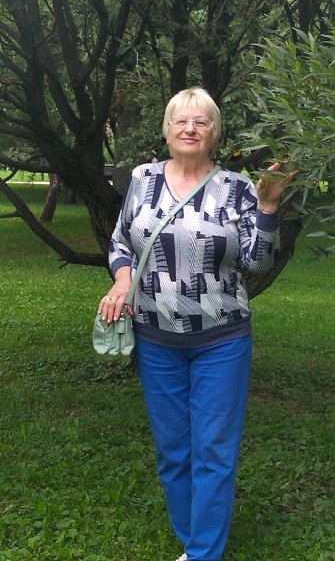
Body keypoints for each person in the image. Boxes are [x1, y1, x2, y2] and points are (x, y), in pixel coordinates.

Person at [98, 87, 293, 561]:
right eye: (180, 120)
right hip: (155, 337)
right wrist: (122, 281)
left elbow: (257, 261)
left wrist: (267, 208)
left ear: (214, 133)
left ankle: (203, 553)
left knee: (213, 450)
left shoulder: (238, 188)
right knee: (173, 451)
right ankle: (194, 541)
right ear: (166, 130)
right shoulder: (142, 179)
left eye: (201, 121)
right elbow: (121, 243)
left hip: (221, 338)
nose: (190, 128)